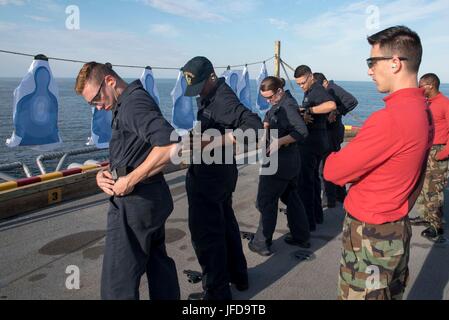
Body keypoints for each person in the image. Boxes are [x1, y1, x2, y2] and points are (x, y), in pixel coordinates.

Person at [324, 26, 433, 300]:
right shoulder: (424, 112)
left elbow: (333, 171)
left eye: (372, 62)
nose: (370, 71)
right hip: (396, 225)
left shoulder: (388, 119)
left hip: (371, 235)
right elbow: (419, 174)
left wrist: (329, 154)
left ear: (395, 63)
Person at [75, 62, 181, 300]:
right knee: (158, 267)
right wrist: (105, 173)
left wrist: (130, 179)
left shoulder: (133, 104)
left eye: (96, 99)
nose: (97, 107)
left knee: (117, 284)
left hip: (134, 204)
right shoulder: (127, 102)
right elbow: (134, 149)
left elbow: (171, 144)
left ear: (110, 82)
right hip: (149, 199)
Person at [182, 56, 263, 300]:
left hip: (211, 178)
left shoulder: (222, 98)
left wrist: (217, 140)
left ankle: (217, 293)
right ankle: (239, 276)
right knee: (226, 227)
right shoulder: (212, 95)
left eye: (200, 86)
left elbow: (254, 126)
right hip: (221, 174)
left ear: (212, 77)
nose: (197, 93)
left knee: (207, 235)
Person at [248, 76, 310, 257]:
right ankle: (301, 236)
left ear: (279, 91)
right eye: (265, 98)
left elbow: (301, 132)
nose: (268, 101)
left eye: (270, 97)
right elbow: (271, 113)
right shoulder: (281, 103)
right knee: (292, 198)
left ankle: (261, 243)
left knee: (266, 201)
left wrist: (279, 142)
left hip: (279, 162)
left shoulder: (287, 106)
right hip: (290, 162)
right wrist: (266, 124)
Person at [293, 66, 336, 230]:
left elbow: (331, 105)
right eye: (298, 84)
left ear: (310, 77)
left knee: (306, 183)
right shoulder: (310, 91)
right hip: (318, 141)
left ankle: (308, 222)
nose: (301, 86)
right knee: (314, 181)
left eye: (303, 82)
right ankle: (317, 216)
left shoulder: (316, 89)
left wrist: (309, 109)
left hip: (312, 143)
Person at [313, 73, 359, 208]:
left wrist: (337, 111)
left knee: (325, 167)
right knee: (333, 164)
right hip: (333, 132)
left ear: (325, 82)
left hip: (332, 133)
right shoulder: (328, 90)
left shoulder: (333, 89)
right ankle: (340, 195)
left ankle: (329, 198)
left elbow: (352, 101)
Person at [416, 73, 449, 242]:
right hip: (425, 149)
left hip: (438, 150)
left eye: (421, 85)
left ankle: (437, 226)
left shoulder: (445, 103)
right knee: (422, 187)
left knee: (434, 190)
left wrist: (443, 153)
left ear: (430, 85)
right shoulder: (427, 103)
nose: (419, 88)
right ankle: (426, 217)